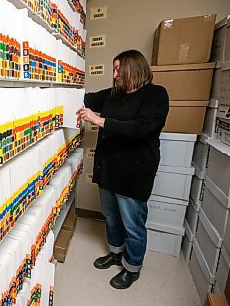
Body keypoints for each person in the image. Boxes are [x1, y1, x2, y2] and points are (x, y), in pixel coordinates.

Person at [76, 49, 169, 289]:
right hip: (108, 169)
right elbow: (85, 98)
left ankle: (132, 267)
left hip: (133, 173)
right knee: (111, 218)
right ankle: (116, 254)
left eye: (119, 69)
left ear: (133, 68)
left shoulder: (156, 95)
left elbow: (142, 128)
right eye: (114, 69)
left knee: (132, 225)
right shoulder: (112, 95)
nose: (115, 74)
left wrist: (99, 120)